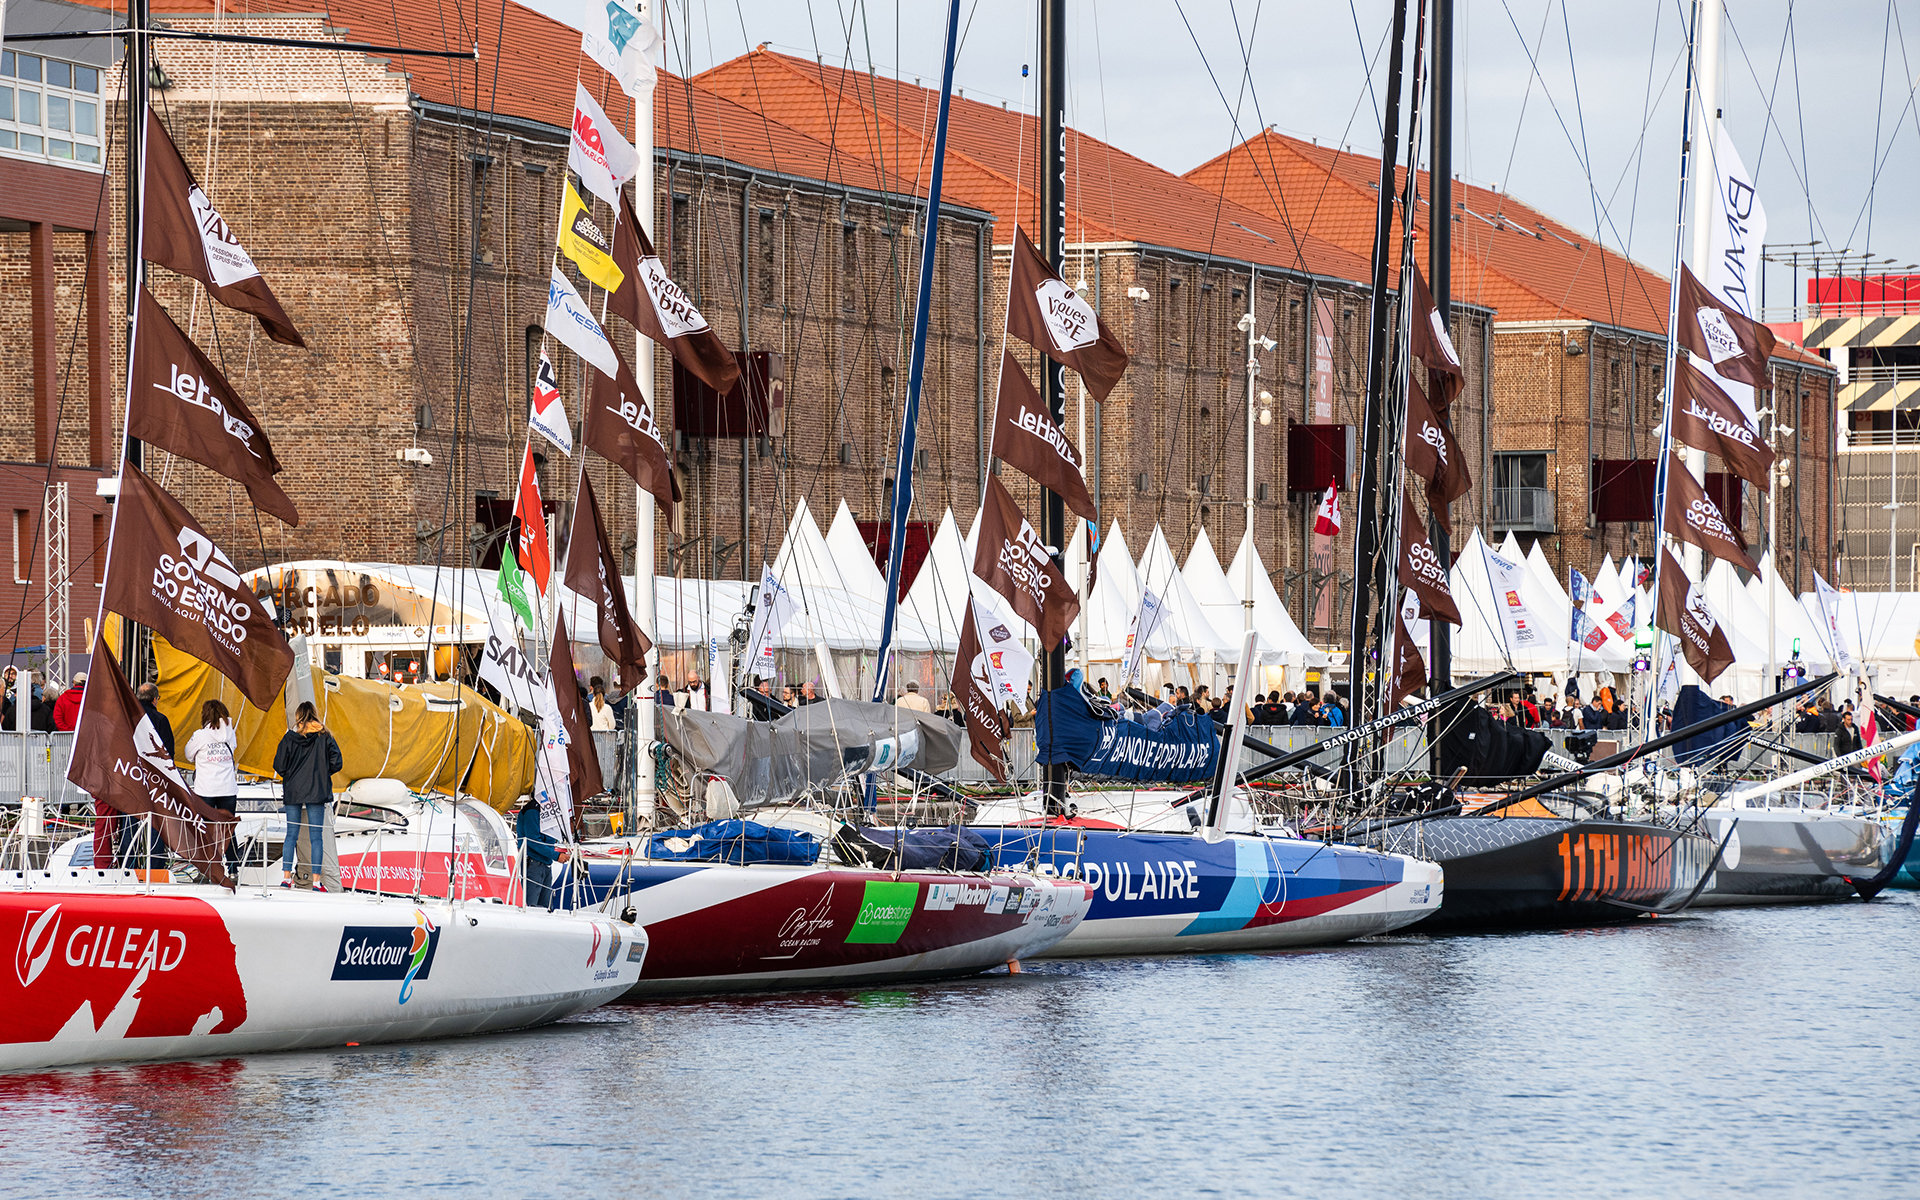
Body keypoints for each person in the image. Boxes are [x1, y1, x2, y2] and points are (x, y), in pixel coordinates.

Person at [273, 700, 342, 892]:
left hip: (293, 791)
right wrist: (321, 772)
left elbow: (278, 765)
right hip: (316, 791)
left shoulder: (289, 738)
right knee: (316, 838)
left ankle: (286, 879)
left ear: (298, 717)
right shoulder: (325, 736)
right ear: (315, 715)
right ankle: (317, 882)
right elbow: (337, 763)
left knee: (291, 835)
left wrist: (291, 775)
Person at [185, 699, 240, 880]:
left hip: (206, 790)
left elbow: (188, 754)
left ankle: (208, 871)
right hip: (228, 790)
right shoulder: (231, 734)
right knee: (227, 830)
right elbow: (233, 749)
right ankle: (233, 870)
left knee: (205, 832)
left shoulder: (200, 735)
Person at [514, 796, 564, 910]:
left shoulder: (546, 809)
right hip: (533, 863)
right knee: (531, 905)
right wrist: (556, 855)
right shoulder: (532, 810)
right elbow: (533, 841)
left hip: (545, 863)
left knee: (545, 907)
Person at [135, 681, 175, 758]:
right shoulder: (160, 719)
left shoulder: (127, 715)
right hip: (151, 764)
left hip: (129, 764)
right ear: (154, 699)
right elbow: (168, 748)